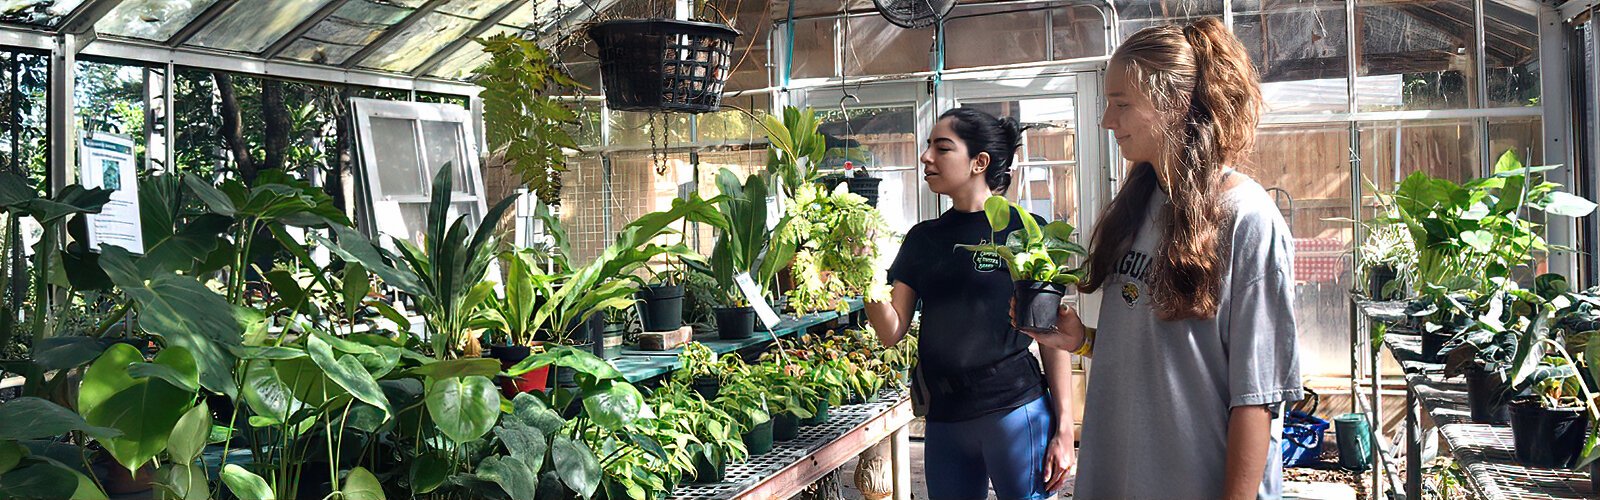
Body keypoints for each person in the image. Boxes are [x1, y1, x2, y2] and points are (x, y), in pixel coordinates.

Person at [1018, 17, 1302, 500]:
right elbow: (1172, 348)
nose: (1108, 121)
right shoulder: (1142, 202)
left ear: (1174, 106)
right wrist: (1083, 341)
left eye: (1121, 104)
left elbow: (1255, 398)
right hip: (1121, 476)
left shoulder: (1247, 218)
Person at [866, 107, 1075, 500]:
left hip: (1013, 410)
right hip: (945, 418)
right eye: (928, 147)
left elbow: (1050, 335)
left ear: (979, 162)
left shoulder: (1025, 231)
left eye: (941, 148)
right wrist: (864, 277)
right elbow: (891, 331)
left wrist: (1064, 427)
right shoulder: (922, 239)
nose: (926, 157)